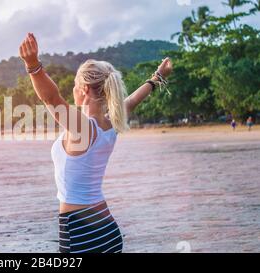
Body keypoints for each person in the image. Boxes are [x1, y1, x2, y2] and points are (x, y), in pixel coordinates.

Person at [18, 33, 173, 253]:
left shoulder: (83, 127)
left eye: (74, 85)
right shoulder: (112, 122)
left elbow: (51, 99)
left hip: (80, 233)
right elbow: (134, 99)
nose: (72, 90)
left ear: (84, 89)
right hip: (107, 231)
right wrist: (157, 77)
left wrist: (32, 65)